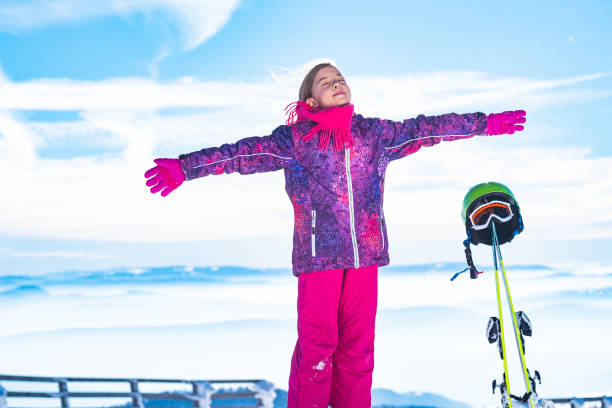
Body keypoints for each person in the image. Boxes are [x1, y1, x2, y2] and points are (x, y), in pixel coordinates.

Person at [144, 62, 526, 408]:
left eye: (341, 78)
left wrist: (484, 123)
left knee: (359, 353)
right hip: (319, 259)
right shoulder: (294, 141)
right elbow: (239, 155)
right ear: (311, 98)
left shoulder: (373, 134)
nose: (338, 83)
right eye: (327, 81)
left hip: (366, 258)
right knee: (317, 351)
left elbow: (428, 129)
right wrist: (185, 168)